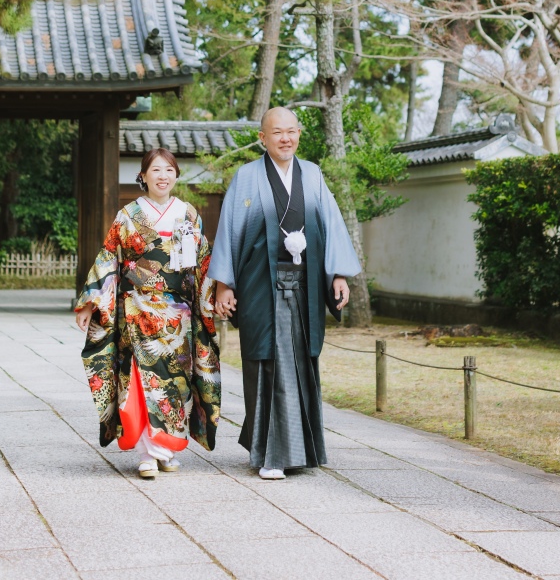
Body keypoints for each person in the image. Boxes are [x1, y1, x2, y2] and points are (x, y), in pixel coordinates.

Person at [209, 106, 360, 479]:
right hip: (263, 284)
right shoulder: (246, 177)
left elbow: (332, 224)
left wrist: (338, 275)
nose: (286, 138)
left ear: (299, 134)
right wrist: (224, 284)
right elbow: (230, 231)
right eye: (277, 132)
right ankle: (269, 454)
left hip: (305, 283)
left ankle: (301, 450)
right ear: (263, 138)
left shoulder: (312, 174)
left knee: (301, 362)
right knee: (267, 362)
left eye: (292, 131)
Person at [75, 147, 220, 480]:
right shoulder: (127, 214)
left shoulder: (189, 214)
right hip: (137, 309)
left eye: (169, 170)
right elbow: (108, 258)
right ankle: (147, 453)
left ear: (176, 175)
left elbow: (204, 263)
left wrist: (216, 297)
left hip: (177, 314)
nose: (162, 176)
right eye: (155, 170)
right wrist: (90, 302)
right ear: (143, 176)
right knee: (141, 379)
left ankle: (166, 448)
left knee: (176, 381)